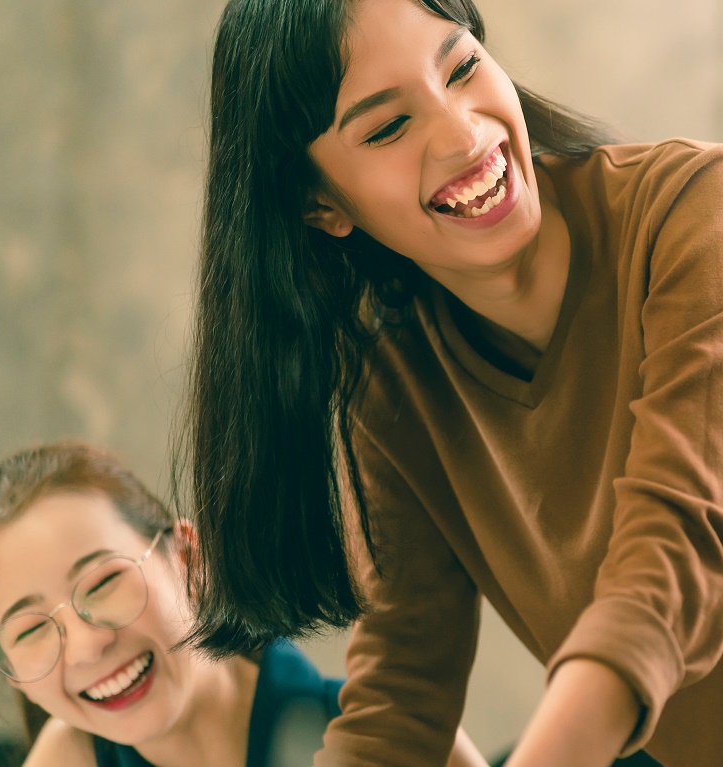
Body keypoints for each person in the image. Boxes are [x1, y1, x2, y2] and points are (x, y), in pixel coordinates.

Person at [175, 0, 723, 765]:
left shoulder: (700, 212)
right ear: (320, 204)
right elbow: (401, 693)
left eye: (462, 67)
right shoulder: (392, 377)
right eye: (387, 127)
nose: (466, 134)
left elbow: (675, 551)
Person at [0, 441, 483, 767]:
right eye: (28, 631)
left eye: (102, 583)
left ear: (187, 557)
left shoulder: (397, 732)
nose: (88, 647)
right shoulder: (70, 759)